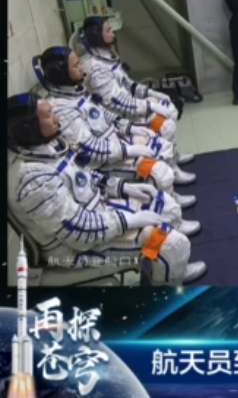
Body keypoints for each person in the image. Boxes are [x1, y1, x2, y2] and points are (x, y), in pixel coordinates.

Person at [7, 93, 207, 285]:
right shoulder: (33, 180)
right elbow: (77, 232)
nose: (57, 118)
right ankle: (169, 284)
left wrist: (122, 187)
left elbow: (84, 176)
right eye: (49, 115)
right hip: (77, 249)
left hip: (96, 214)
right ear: (28, 128)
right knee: (171, 244)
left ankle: (170, 265)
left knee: (167, 206)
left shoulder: (47, 149)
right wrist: (127, 220)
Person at [33, 47, 198, 209]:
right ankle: (168, 206)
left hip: (113, 144)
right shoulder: (62, 109)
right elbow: (89, 147)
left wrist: (129, 128)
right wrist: (127, 150)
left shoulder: (75, 92)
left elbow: (104, 113)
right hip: (102, 163)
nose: (82, 68)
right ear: (60, 72)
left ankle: (171, 193)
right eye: (76, 65)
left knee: (161, 145)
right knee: (158, 171)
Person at [72, 17, 194, 165]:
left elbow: (128, 85)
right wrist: (149, 106)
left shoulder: (106, 55)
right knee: (166, 125)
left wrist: (152, 93)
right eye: (108, 31)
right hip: (118, 117)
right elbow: (115, 102)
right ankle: (167, 163)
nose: (113, 34)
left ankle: (170, 155)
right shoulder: (95, 67)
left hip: (127, 108)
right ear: (96, 35)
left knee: (169, 107)